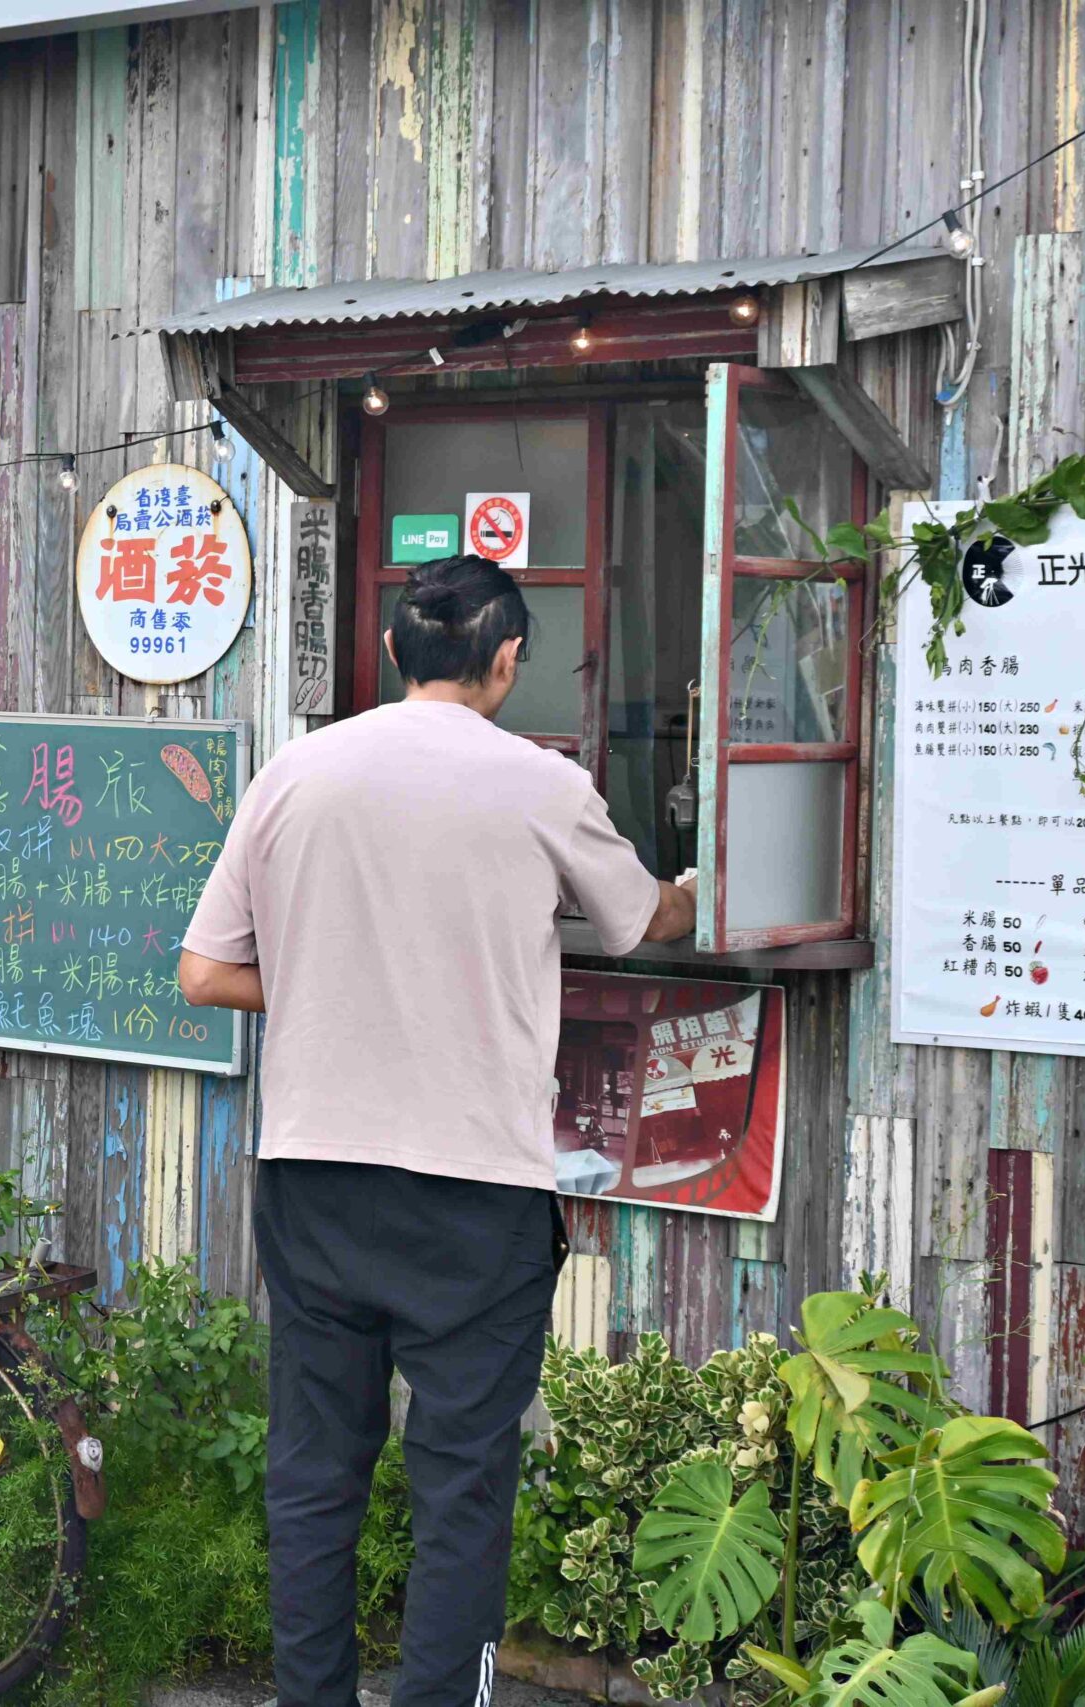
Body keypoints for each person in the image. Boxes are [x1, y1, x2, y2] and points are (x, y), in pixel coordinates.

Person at [177, 554, 694, 1707]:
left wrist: (330, 976)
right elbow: (638, 919)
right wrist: (706, 887)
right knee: (460, 1484)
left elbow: (207, 972)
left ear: (397, 654)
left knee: (315, 1473)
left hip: (312, 1174)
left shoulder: (296, 773)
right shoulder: (538, 784)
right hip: (472, 1189)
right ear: (505, 660)